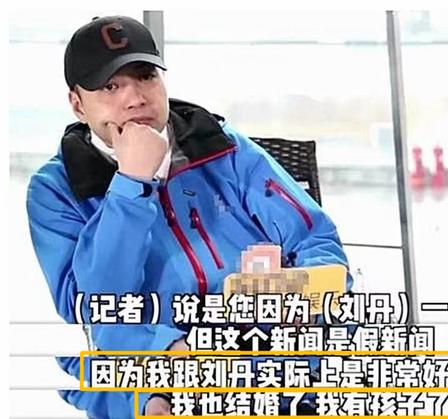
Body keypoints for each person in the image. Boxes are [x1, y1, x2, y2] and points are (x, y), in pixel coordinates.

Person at [26, 15, 351, 417]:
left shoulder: (224, 147)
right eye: (111, 86)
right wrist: (131, 184)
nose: (135, 98)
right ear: (78, 103)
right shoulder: (56, 189)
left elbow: (314, 237)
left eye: (146, 76)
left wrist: (307, 294)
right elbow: (94, 307)